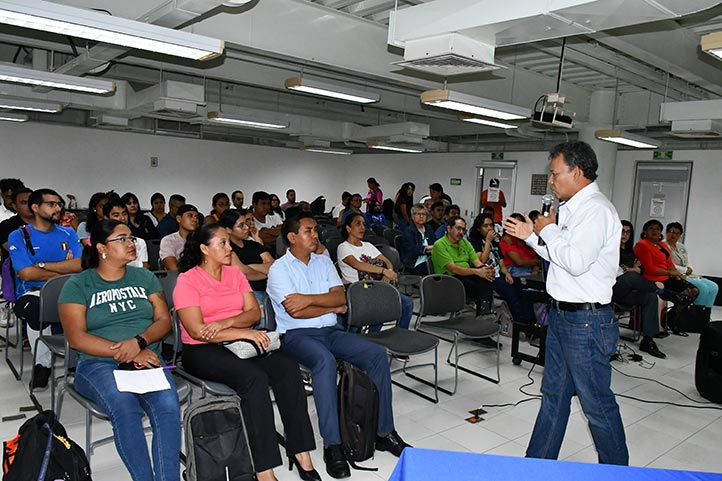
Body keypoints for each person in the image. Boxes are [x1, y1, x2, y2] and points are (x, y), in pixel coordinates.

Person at [502, 140, 628, 465]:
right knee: (553, 397)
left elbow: (576, 261)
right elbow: (559, 258)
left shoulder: (596, 210)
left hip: (585, 322)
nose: (552, 181)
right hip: (561, 317)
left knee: (596, 404)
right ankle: (537, 464)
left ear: (578, 171)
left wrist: (551, 230)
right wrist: (532, 236)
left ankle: (617, 472)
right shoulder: (572, 207)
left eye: (556, 174)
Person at [267, 213, 411, 479]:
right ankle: (333, 445)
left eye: (314, 231)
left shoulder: (323, 263)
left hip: (331, 331)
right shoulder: (278, 269)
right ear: (292, 237)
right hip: (298, 336)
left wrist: (311, 300)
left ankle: (384, 432)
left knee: (377, 355)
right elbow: (295, 313)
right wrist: (329, 304)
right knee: (324, 362)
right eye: (309, 231)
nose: (315, 235)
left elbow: (340, 299)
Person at [174, 223, 318, 481]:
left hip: (238, 342)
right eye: (223, 243)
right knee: (254, 378)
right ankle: (264, 468)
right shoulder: (187, 280)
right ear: (205, 249)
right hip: (201, 351)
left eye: (229, 242)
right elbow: (197, 331)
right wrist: (243, 331)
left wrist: (227, 324)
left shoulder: (234, 274)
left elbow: (254, 313)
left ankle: (301, 451)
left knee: (286, 367)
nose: (230, 248)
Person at [58, 219, 181, 481]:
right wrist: (128, 350)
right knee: (125, 409)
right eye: (122, 238)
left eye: (131, 238)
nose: (131, 243)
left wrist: (139, 343)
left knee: (168, 408)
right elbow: (76, 337)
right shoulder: (78, 285)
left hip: (145, 356)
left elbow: (163, 321)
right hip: (96, 363)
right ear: (102, 247)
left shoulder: (145, 277)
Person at [9, 188, 83, 389]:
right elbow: (25, 273)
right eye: (51, 204)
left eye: (59, 204)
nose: (58, 208)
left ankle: (79, 363)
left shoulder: (68, 233)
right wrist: (65, 269)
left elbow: (81, 265)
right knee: (36, 308)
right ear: (35, 207)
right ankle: (42, 364)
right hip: (34, 291)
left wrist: (41, 265)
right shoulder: (20, 236)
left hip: (71, 290)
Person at [337, 213, 413, 330]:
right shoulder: (343, 247)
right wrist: (383, 271)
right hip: (358, 291)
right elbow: (358, 265)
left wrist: (389, 272)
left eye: (364, 224)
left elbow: (387, 261)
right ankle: (371, 336)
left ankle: (401, 333)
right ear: (348, 228)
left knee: (407, 303)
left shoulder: (368, 245)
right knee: (378, 306)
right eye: (358, 224)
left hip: (377, 286)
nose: (362, 227)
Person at [613, 220, 675, 359]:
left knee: (649, 296)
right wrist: (630, 270)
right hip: (611, 290)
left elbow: (641, 270)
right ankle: (664, 293)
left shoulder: (630, 251)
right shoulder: (609, 249)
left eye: (628, 232)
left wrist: (633, 269)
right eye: (622, 231)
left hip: (628, 292)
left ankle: (648, 340)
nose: (625, 234)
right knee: (630, 277)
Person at [469, 213, 535, 324]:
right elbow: (482, 261)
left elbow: (501, 262)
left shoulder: (495, 243)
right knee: (510, 291)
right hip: (487, 275)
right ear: (478, 228)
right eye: (486, 226)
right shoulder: (474, 242)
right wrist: (488, 242)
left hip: (500, 273)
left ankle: (531, 321)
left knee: (521, 287)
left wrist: (507, 274)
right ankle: (520, 322)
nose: (489, 228)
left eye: (491, 225)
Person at [431, 216, 494, 316]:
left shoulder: (465, 243)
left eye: (463, 230)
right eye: (458, 228)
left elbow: (478, 263)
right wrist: (477, 271)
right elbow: (454, 269)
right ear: (449, 228)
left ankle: (484, 310)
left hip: (465, 274)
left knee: (486, 277)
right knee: (479, 283)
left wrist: (486, 270)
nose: (461, 232)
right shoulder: (440, 244)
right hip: (448, 278)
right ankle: (483, 311)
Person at [218, 209, 275, 309]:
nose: (246, 228)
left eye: (246, 223)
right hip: (245, 293)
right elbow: (243, 273)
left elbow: (274, 266)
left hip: (269, 290)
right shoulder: (227, 248)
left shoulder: (254, 245)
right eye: (241, 226)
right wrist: (265, 273)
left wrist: (250, 266)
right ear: (228, 230)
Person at [665, 222, 719, 309]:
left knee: (714, 287)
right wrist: (686, 270)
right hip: (676, 276)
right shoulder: (663, 246)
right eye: (671, 232)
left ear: (680, 235)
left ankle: (705, 314)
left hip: (689, 274)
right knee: (703, 288)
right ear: (666, 232)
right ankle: (694, 316)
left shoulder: (681, 246)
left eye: (677, 233)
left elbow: (688, 261)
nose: (673, 235)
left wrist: (690, 269)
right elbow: (669, 265)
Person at [105, 195, 150, 269]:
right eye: (116, 215)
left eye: (124, 214)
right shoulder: (103, 243)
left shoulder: (139, 242)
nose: (122, 218)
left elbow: (144, 269)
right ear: (106, 217)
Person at [499, 213, 543, 278]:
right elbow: (519, 262)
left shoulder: (526, 239)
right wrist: (538, 263)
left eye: (520, 224)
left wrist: (535, 270)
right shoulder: (507, 238)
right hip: (513, 269)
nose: (517, 226)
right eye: (515, 224)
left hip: (530, 269)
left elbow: (534, 258)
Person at [159, 204, 199, 271]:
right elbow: (173, 267)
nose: (195, 220)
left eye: (196, 217)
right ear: (179, 219)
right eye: (190, 216)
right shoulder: (168, 240)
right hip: (179, 278)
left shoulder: (201, 239)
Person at [401, 203, 435, 275]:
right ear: (413, 216)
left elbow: (435, 242)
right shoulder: (408, 231)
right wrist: (427, 249)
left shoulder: (428, 228)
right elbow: (412, 250)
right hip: (415, 262)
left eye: (424, 214)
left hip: (430, 259)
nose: (421, 216)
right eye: (418, 214)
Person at [0, 187, 33, 260]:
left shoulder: (46, 223)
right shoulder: (6, 226)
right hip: (17, 268)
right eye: (24, 203)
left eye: (31, 202)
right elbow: (18, 252)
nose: (29, 205)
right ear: (15, 206)